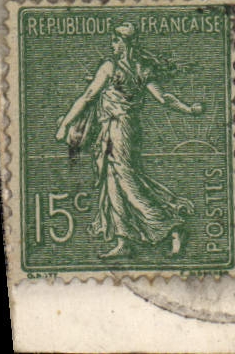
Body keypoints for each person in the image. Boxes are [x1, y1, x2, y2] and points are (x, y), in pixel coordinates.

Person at [54, 23, 202, 258]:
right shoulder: (142, 69)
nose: (112, 46)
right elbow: (164, 98)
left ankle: (172, 227)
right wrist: (189, 109)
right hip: (125, 129)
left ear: (124, 43)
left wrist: (65, 124)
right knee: (113, 181)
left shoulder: (110, 67)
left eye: (115, 41)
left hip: (118, 129)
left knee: (126, 181)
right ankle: (124, 241)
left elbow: (88, 96)